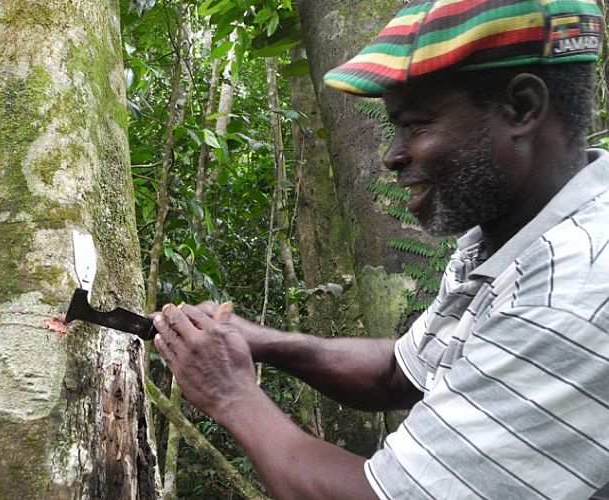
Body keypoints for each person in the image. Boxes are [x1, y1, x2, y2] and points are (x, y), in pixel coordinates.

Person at [152, 0, 609, 498]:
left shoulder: (571, 292)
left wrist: (231, 393)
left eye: (416, 124)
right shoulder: (511, 237)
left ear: (521, 108)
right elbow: (397, 372)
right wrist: (257, 340)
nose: (392, 155)